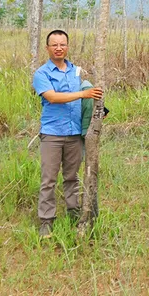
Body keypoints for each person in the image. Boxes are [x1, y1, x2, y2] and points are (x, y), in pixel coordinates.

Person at [31, 29, 103, 237]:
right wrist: (83, 93)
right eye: (54, 45)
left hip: (74, 133)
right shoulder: (42, 74)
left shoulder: (76, 71)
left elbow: (89, 95)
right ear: (47, 48)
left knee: (71, 177)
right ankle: (46, 220)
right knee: (49, 179)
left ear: (68, 46)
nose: (59, 48)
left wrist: (99, 112)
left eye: (62, 44)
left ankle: (73, 212)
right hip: (53, 133)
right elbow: (52, 97)